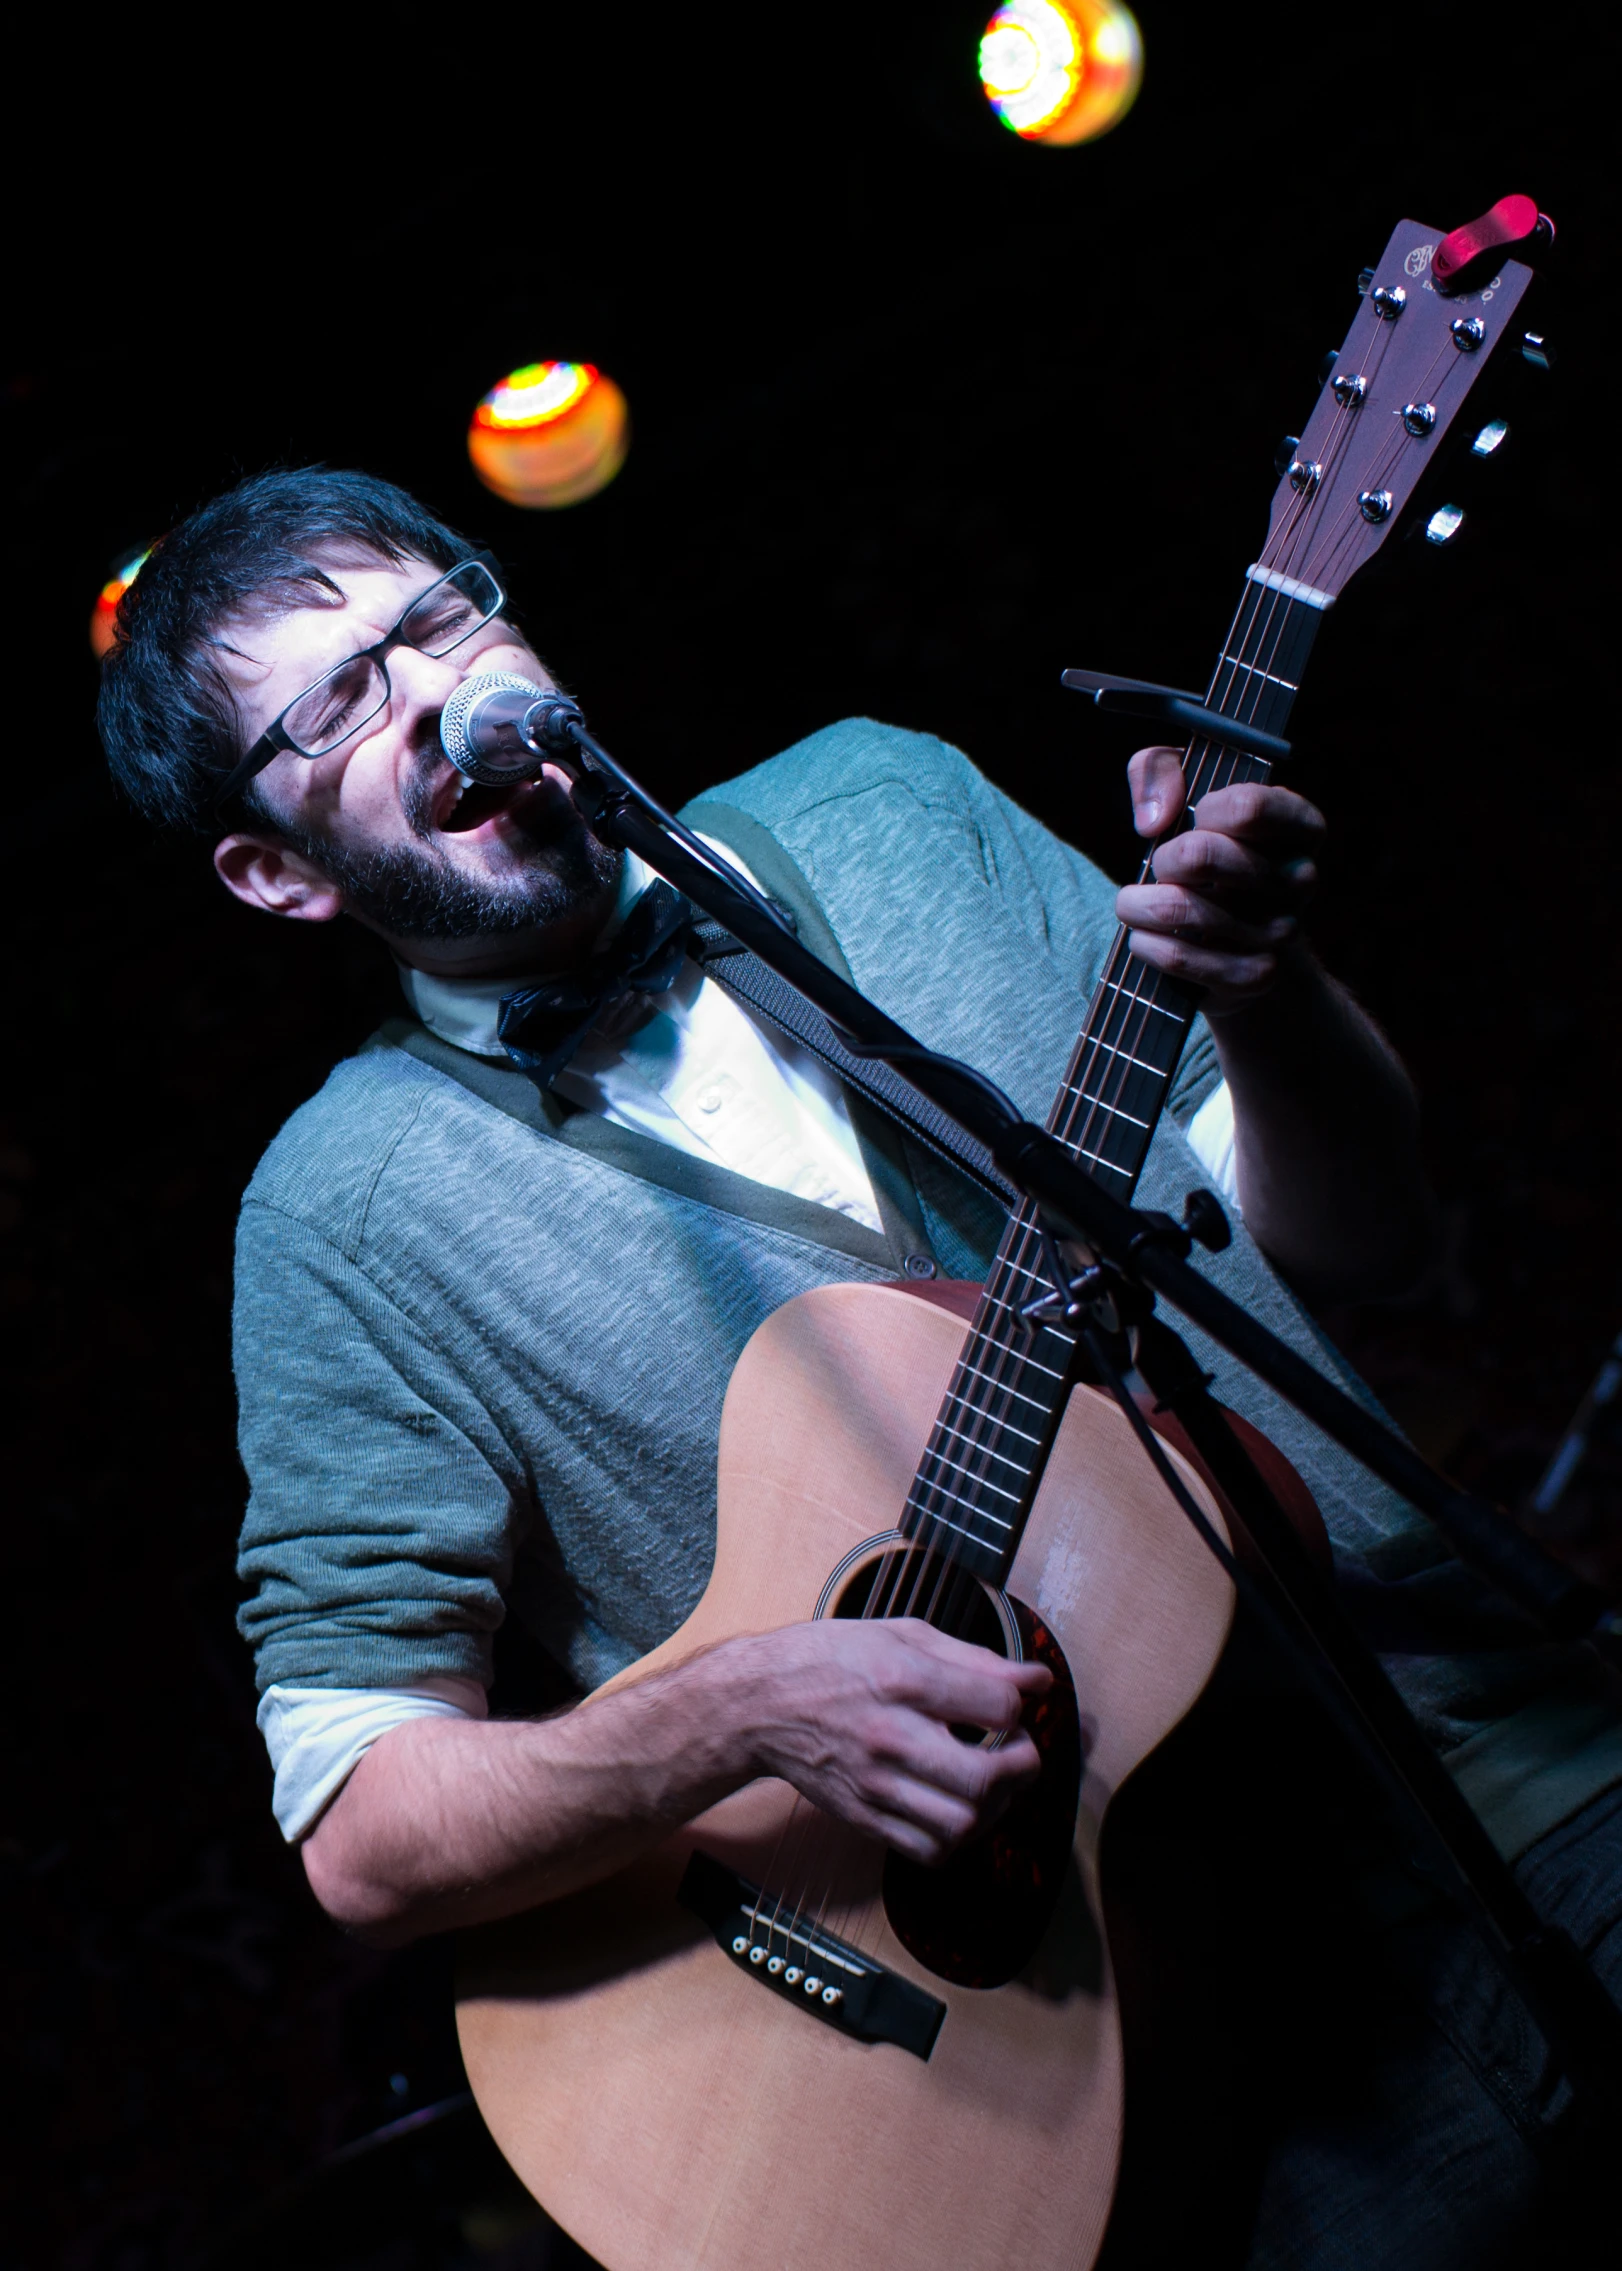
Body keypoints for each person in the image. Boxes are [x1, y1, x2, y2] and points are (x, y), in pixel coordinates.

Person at [100, 468, 1621, 2265]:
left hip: (1497, 1760)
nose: (431, 689)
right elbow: (361, 1818)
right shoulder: (344, 1214)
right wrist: (733, 1710)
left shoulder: (886, 800)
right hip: (1124, 2025)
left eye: (439, 617)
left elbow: (1360, 1243)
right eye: (336, 703)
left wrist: (1265, 986)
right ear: (276, 873)